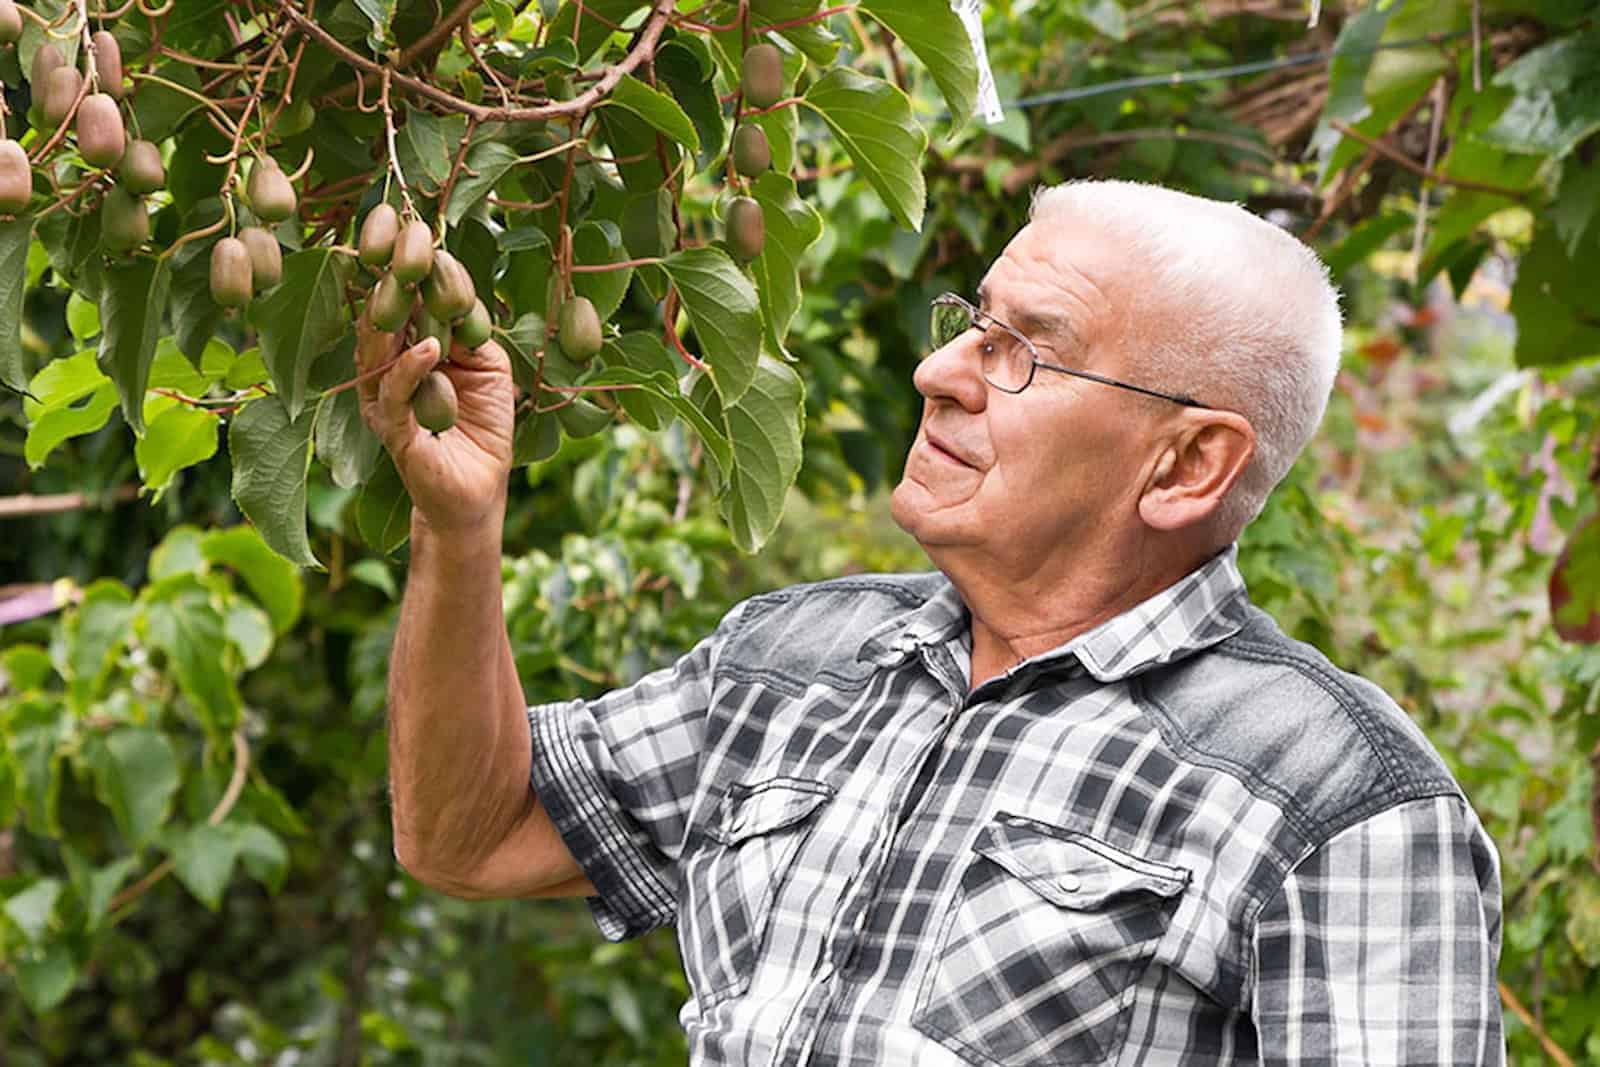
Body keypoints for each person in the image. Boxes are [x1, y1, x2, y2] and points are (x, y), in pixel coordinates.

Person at [356, 180, 1505, 1066]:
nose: (938, 369)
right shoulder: (790, 666)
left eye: (1023, 350)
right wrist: (459, 532)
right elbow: (469, 830)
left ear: (1187, 463)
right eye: (973, 323)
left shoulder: (1336, 800)